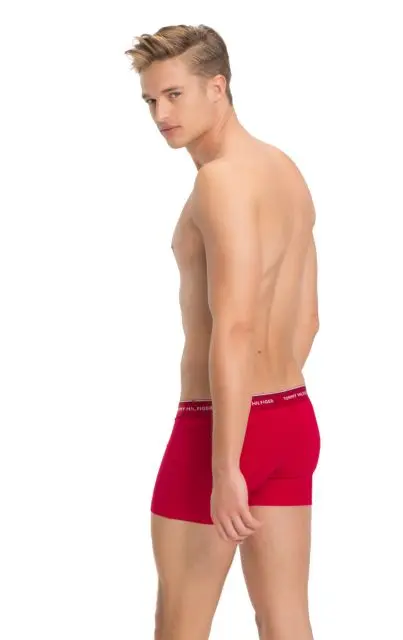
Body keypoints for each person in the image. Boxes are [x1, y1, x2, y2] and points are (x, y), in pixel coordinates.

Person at [125, 23, 321, 640]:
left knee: (180, 625)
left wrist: (227, 463)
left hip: (218, 429)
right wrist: (266, 411)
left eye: (174, 95)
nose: (161, 114)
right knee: (285, 620)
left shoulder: (219, 180)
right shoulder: (283, 169)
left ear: (218, 87)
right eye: (150, 100)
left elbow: (233, 327)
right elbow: (309, 317)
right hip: (291, 417)